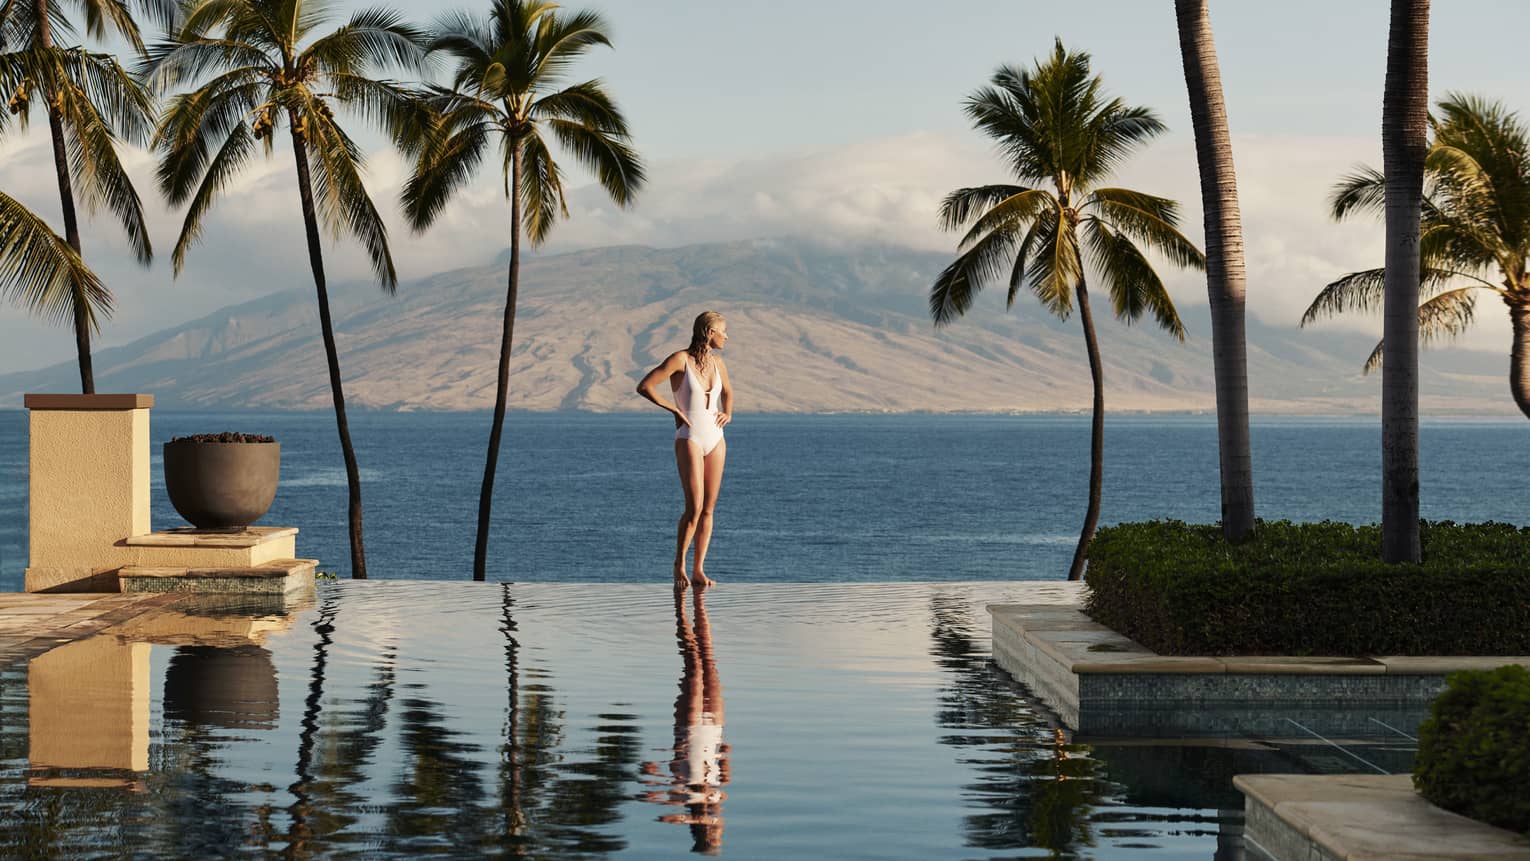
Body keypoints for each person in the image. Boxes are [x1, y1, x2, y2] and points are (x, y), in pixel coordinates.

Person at [635, 311, 733, 590]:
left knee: (709, 509)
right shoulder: (680, 359)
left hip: (716, 437)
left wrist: (728, 413)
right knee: (694, 507)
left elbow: (728, 392)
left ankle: (699, 568)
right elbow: (645, 386)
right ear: (709, 331)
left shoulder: (718, 364)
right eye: (722, 331)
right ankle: (679, 563)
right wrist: (674, 409)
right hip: (689, 436)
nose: (726, 337)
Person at [640, 588, 729, 855]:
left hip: (689, 731)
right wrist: (724, 760)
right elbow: (725, 773)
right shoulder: (717, 797)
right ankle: (699, 603)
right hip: (714, 730)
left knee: (694, 666)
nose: (717, 826)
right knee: (709, 661)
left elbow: (654, 801)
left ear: (703, 833)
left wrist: (690, 814)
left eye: (714, 833)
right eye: (719, 831)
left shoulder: (681, 799)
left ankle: (680, 608)